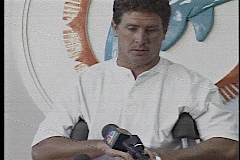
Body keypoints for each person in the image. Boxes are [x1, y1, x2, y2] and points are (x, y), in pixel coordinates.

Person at [31, 0, 239, 159]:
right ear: (115, 29)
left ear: (165, 32)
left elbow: (229, 147)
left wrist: (159, 157)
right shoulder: (84, 83)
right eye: (132, 29)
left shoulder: (194, 85)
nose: (141, 39)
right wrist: (100, 146)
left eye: (151, 30)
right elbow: (42, 150)